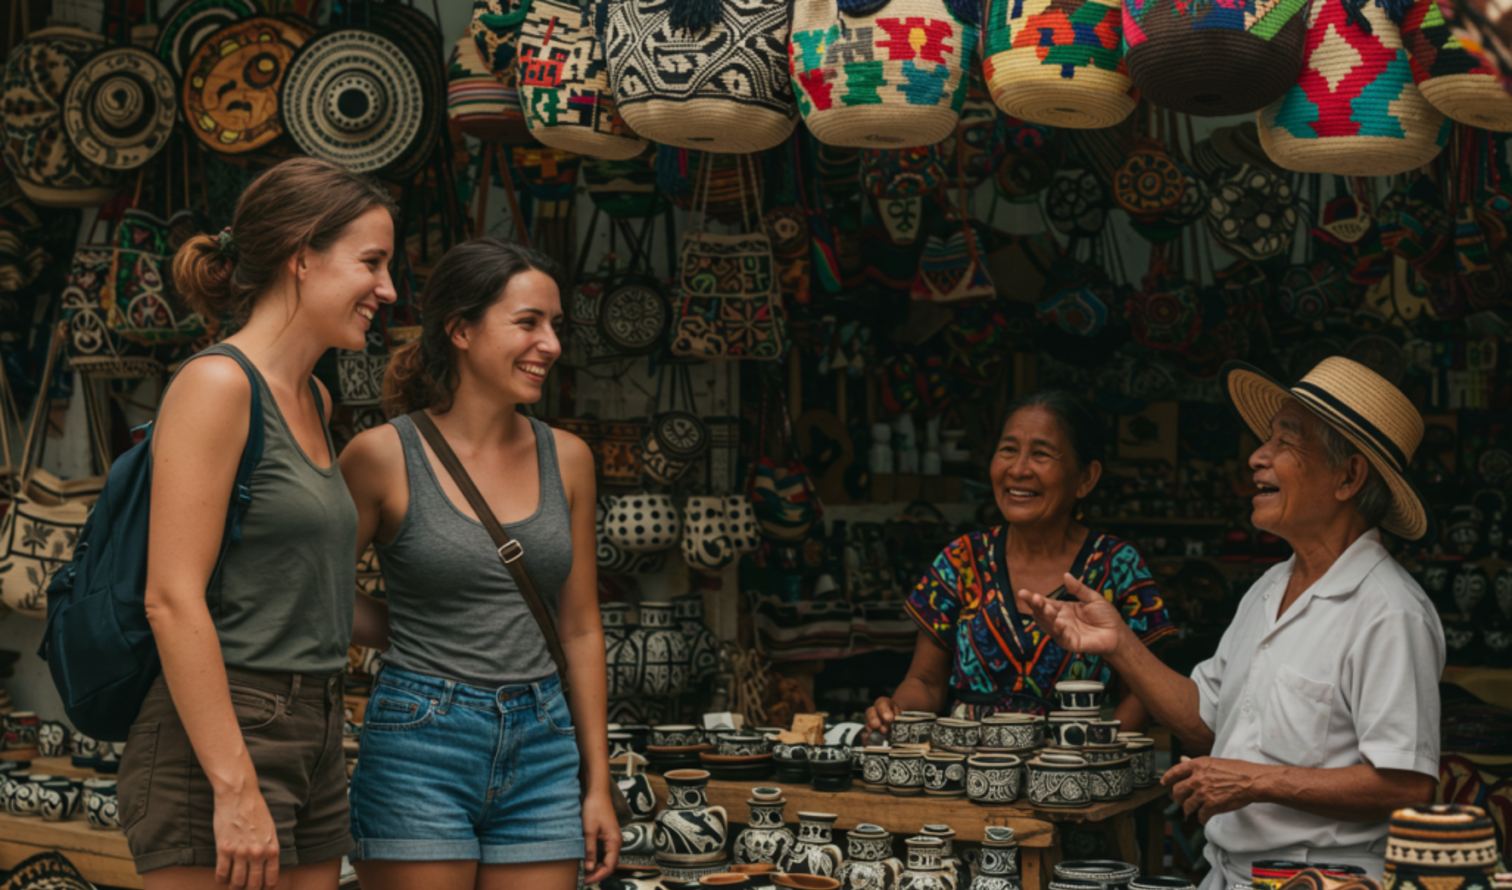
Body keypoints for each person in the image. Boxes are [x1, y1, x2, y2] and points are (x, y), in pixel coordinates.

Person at [1018, 358, 1443, 886]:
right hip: (1230, 875)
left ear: (1348, 476)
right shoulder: (1268, 589)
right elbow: (1207, 720)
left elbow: (1407, 786)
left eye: (1285, 442)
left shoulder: (1389, 611)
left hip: (1325, 881)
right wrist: (1119, 644)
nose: (1257, 458)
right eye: (1268, 439)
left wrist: (1256, 781)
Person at [123, 157, 398, 890]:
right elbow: (171, 599)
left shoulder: (313, 398)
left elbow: (306, 590)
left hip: (316, 719)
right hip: (223, 728)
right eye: (371, 263)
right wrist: (234, 785)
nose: (388, 290)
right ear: (301, 258)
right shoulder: (217, 385)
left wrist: (454, 620)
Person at [339, 238, 617, 890]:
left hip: (546, 741)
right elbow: (317, 596)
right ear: (460, 329)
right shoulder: (380, 456)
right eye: (528, 323)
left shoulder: (568, 458)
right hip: (420, 740)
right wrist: (413, 625)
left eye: (555, 326)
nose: (549, 343)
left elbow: (579, 627)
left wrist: (596, 782)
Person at [866, 391, 1176, 735]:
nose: (1017, 469)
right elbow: (925, 681)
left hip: (1076, 768)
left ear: (1086, 478)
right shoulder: (961, 559)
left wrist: (1096, 755)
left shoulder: (1118, 567)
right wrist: (895, 712)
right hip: (972, 771)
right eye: (1008, 450)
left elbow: (1143, 694)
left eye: (1040, 454)